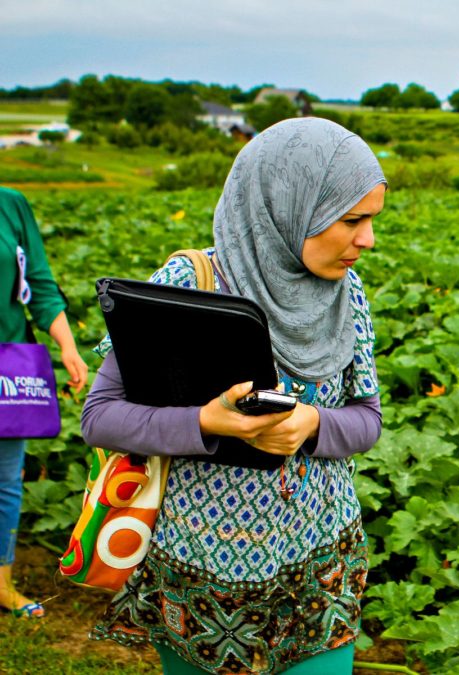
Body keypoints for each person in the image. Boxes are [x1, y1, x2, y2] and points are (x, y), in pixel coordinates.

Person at [81, 117, 386, 674]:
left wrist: (313, 424)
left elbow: (367, 419)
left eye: (371, 220)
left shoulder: (348, 293)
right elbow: (99, 418)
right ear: (289, 205)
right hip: (199, 572)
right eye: (351, 220)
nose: (366, 239)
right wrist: (207, 422)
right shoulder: (190, 280)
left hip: (319, 563)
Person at [1, 186, 88, 618]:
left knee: (5, 479)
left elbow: (37, 280)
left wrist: (68, 346)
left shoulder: (11, 205)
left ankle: (2, 584)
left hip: (7, 364)